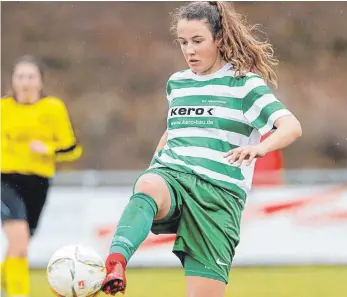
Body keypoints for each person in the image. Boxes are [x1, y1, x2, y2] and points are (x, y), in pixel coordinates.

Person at [101, 2, 302, 297]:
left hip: (218, 197)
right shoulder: (177, 83)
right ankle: (115, 263)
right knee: (148, 184)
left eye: (197, 41)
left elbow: (290, 127)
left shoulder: (244, 84)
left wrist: (260, 149)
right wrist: (154, 165)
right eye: (183, 43)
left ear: (219, 40)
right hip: (175, 176)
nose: (189, 51)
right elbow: (174, 130)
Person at [1, 55, 82, 297]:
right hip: (5, 180)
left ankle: (6, 277)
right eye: (20, 76)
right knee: (19, 242)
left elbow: (73, 148)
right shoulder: (3, 108)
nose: (25, 82)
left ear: (40, 82)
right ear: (13, 81)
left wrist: (48, 149)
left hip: (38, 182)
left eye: (31, 77)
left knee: (22, 244)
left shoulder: (53, 108)